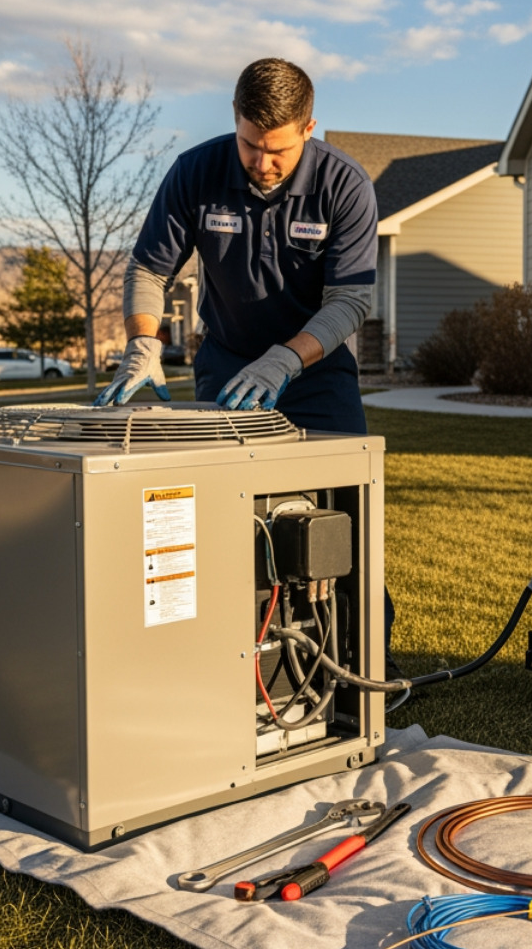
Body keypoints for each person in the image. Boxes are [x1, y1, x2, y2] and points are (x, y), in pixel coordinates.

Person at [98, 57, 394, 650]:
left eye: (277, 149)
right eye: (250, 144)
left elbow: (349, 303)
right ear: (235, 122)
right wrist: (141, 341)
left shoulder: (345, 185)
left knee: (347, 525)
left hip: (316, 372)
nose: (261, 163)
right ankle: (239, 663)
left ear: (309, 129)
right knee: (224, 527)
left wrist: (286, 358)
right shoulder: (197, 171)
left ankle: (365, 667)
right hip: (228, 368)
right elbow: (149, 268)